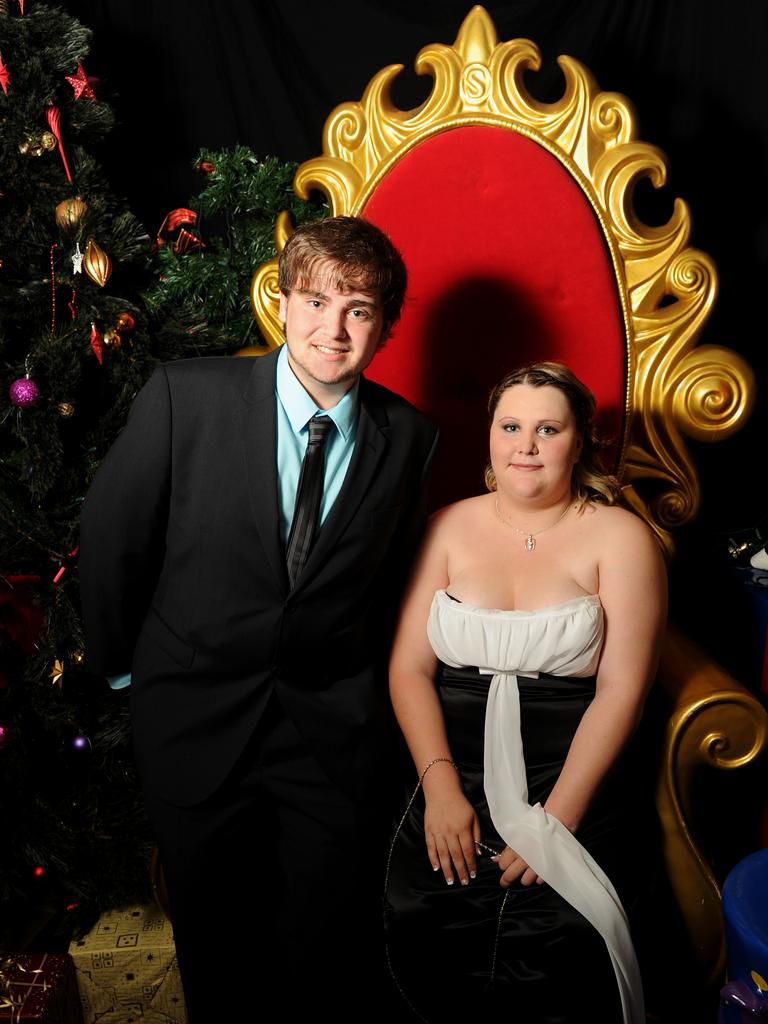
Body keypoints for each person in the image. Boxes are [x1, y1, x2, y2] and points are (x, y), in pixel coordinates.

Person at [78, 215, 439, 1021]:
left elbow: (392, 587)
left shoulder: (410, 438)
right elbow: (112, 538)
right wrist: (132, 673)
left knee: (326, 952)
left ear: (385, 324)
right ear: (282, 301)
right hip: (193, 722)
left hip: (330, 739)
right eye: (315, 301)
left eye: (358, 309)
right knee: (218, 951)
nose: (332, 328)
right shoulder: (187, 397)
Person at [384, 361, 667, 1024]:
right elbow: (408, 671)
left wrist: (556, 820)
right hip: (450, 771)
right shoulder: (447, 527)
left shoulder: (621, 538)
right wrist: (441, 791)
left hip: (569, 775)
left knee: (563, 942)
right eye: (511, 426)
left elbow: (623, 688)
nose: (527, 444)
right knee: (419, 927)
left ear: (580, 441)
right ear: (489, 437)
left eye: (548, 428)